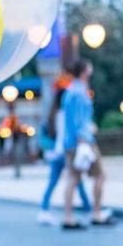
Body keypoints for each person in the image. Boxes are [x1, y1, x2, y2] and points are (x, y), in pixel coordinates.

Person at [61, 59, 114, 229]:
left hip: (72, 141)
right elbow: (78, 119)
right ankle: (96, 213)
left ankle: (68, 217)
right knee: (99, 175)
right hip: (83, 141)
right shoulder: (78, 92)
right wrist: (83, 139)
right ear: (84, 71)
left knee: (73, 177)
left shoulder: (71, 90)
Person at [37, 79, 91, 225]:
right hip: (65, 151)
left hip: (54, 153)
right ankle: (90, 209)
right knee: (77, 181)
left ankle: (43, 210)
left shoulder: (52, 115)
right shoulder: (66, 114)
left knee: (54, 182)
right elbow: (68, 134)